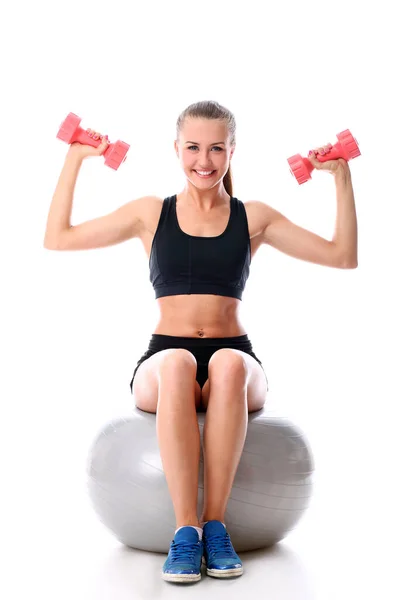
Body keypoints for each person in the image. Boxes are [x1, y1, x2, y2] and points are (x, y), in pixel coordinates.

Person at [44, 100, 358, 583]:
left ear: (232, 151)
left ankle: (215, 525)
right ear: (176, 149)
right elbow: (58, 238)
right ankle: (184, 532)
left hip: (235, 354)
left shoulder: (253, 217)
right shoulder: (150, 213)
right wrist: (75, 158)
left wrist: (340, 176)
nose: (204, 161)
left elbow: (342, 256)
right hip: (164, 355)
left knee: (231, 364)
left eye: (216, 148)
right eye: (193, 147)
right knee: (176, 364)